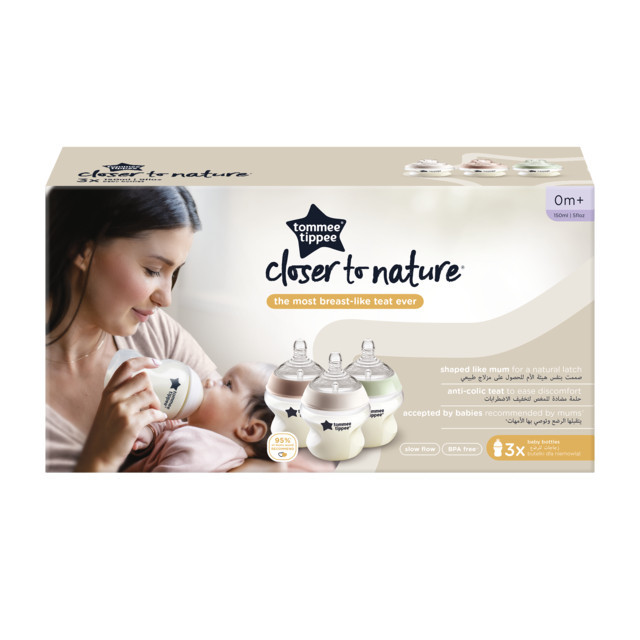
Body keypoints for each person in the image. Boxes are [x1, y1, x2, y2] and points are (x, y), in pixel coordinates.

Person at [46, 186, 221, 472]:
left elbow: (247, 428)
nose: (166, 299)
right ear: (81, 250)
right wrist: (101, 458)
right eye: (153, 270)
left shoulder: (153, 332)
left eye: (174, 272)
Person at [124, 363, 276, 472]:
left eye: (227, 384)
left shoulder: (201, 455)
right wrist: (151, 432)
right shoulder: (204, 432)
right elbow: (171, 424)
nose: (210, 381)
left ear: (249, 430)